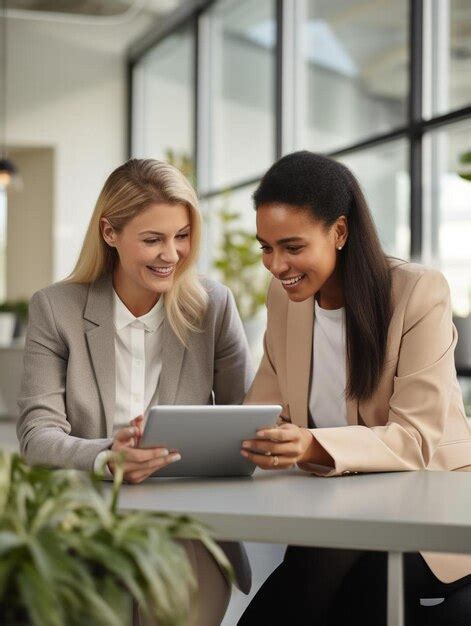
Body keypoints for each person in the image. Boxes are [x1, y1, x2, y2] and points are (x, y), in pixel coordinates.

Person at [17, 158, 253, 626]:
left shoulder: (214, 307)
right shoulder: (55, 309)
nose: (172, 254)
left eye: (182, 236)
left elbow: (244, 418)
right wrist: (108, 456)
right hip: (85, 519)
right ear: (110, 233)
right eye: (153, 239)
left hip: (187, 526)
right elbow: (37, 434)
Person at [239, 151, 471, 625]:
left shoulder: (417, 293)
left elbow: (415, 438)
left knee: (345, 580)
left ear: (339, 232)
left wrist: (309, 444)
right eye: (265, 247)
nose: (277, 266)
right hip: (341, 513)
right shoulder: (287, 302)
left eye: (292, 247)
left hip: (431, 509)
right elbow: (262, 412)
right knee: (333, 571)